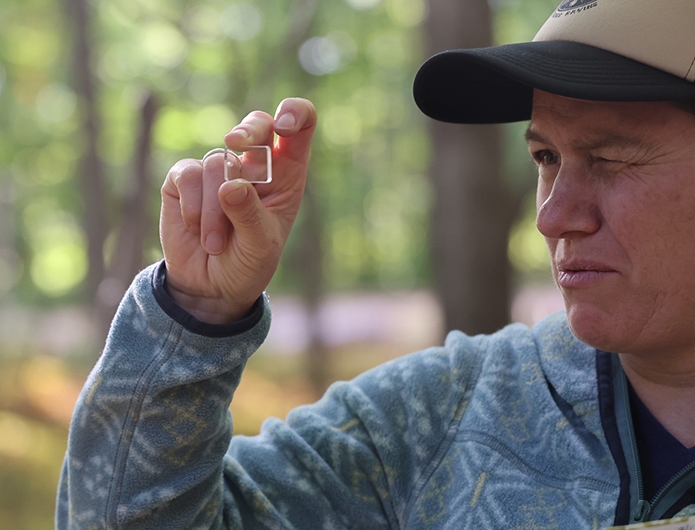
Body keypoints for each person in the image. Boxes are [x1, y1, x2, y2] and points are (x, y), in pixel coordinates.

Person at [56, 0, 695, 527]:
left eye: (611, 159)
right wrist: (196, 314)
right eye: (546, 158)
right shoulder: (446, 415)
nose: (553, 217)